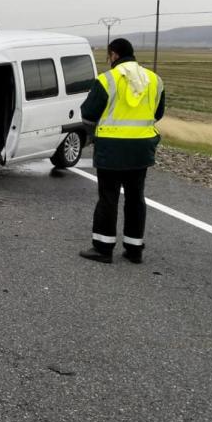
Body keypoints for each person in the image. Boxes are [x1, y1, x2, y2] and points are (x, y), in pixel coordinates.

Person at [78, 39, 165, 264]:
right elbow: (158, 113)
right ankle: (134, 249)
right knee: (136, 197)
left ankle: (103, 248)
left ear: (114, 54)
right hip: (141, 149)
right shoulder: (154, 80)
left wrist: (94, 133)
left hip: (111, 149)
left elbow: (88, 113)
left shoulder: (107, 79)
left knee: (109, 197)